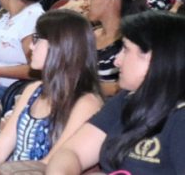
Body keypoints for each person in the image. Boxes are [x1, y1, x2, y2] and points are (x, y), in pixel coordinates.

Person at [45, 11, 185, 175]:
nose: (117, 61)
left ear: (155, 58)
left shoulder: (180, 119)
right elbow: (71, 152)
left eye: (126, 49)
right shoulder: (126, 99)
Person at [0, 10, 103, 173]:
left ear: (60, 45)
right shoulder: (33, 90)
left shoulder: (86, 103)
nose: (31, 46)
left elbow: (51, 164)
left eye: (36, 39)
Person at [86, 0, 148, 97]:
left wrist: (78, 84)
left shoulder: (128, 44)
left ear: (111, 2)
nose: (87, 3)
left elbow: (122, 89)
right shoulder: (90, 33)